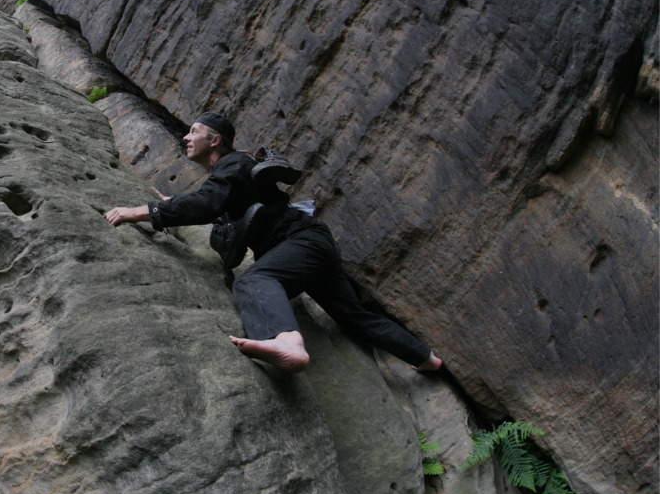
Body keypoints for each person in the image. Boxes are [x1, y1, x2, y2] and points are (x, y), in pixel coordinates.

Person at [105, 112, 442, 374]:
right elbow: (214, 206)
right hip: (310, 246)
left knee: (255, 280)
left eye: (194, 131)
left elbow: (206, 204)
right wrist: (168, 202)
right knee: (354, 315)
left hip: (300, 242)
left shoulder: (234, 162)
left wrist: (141, 212)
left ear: (216, 139)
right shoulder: (232, 172)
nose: (186, 137)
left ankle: (288, 343)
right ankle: (426, 359)